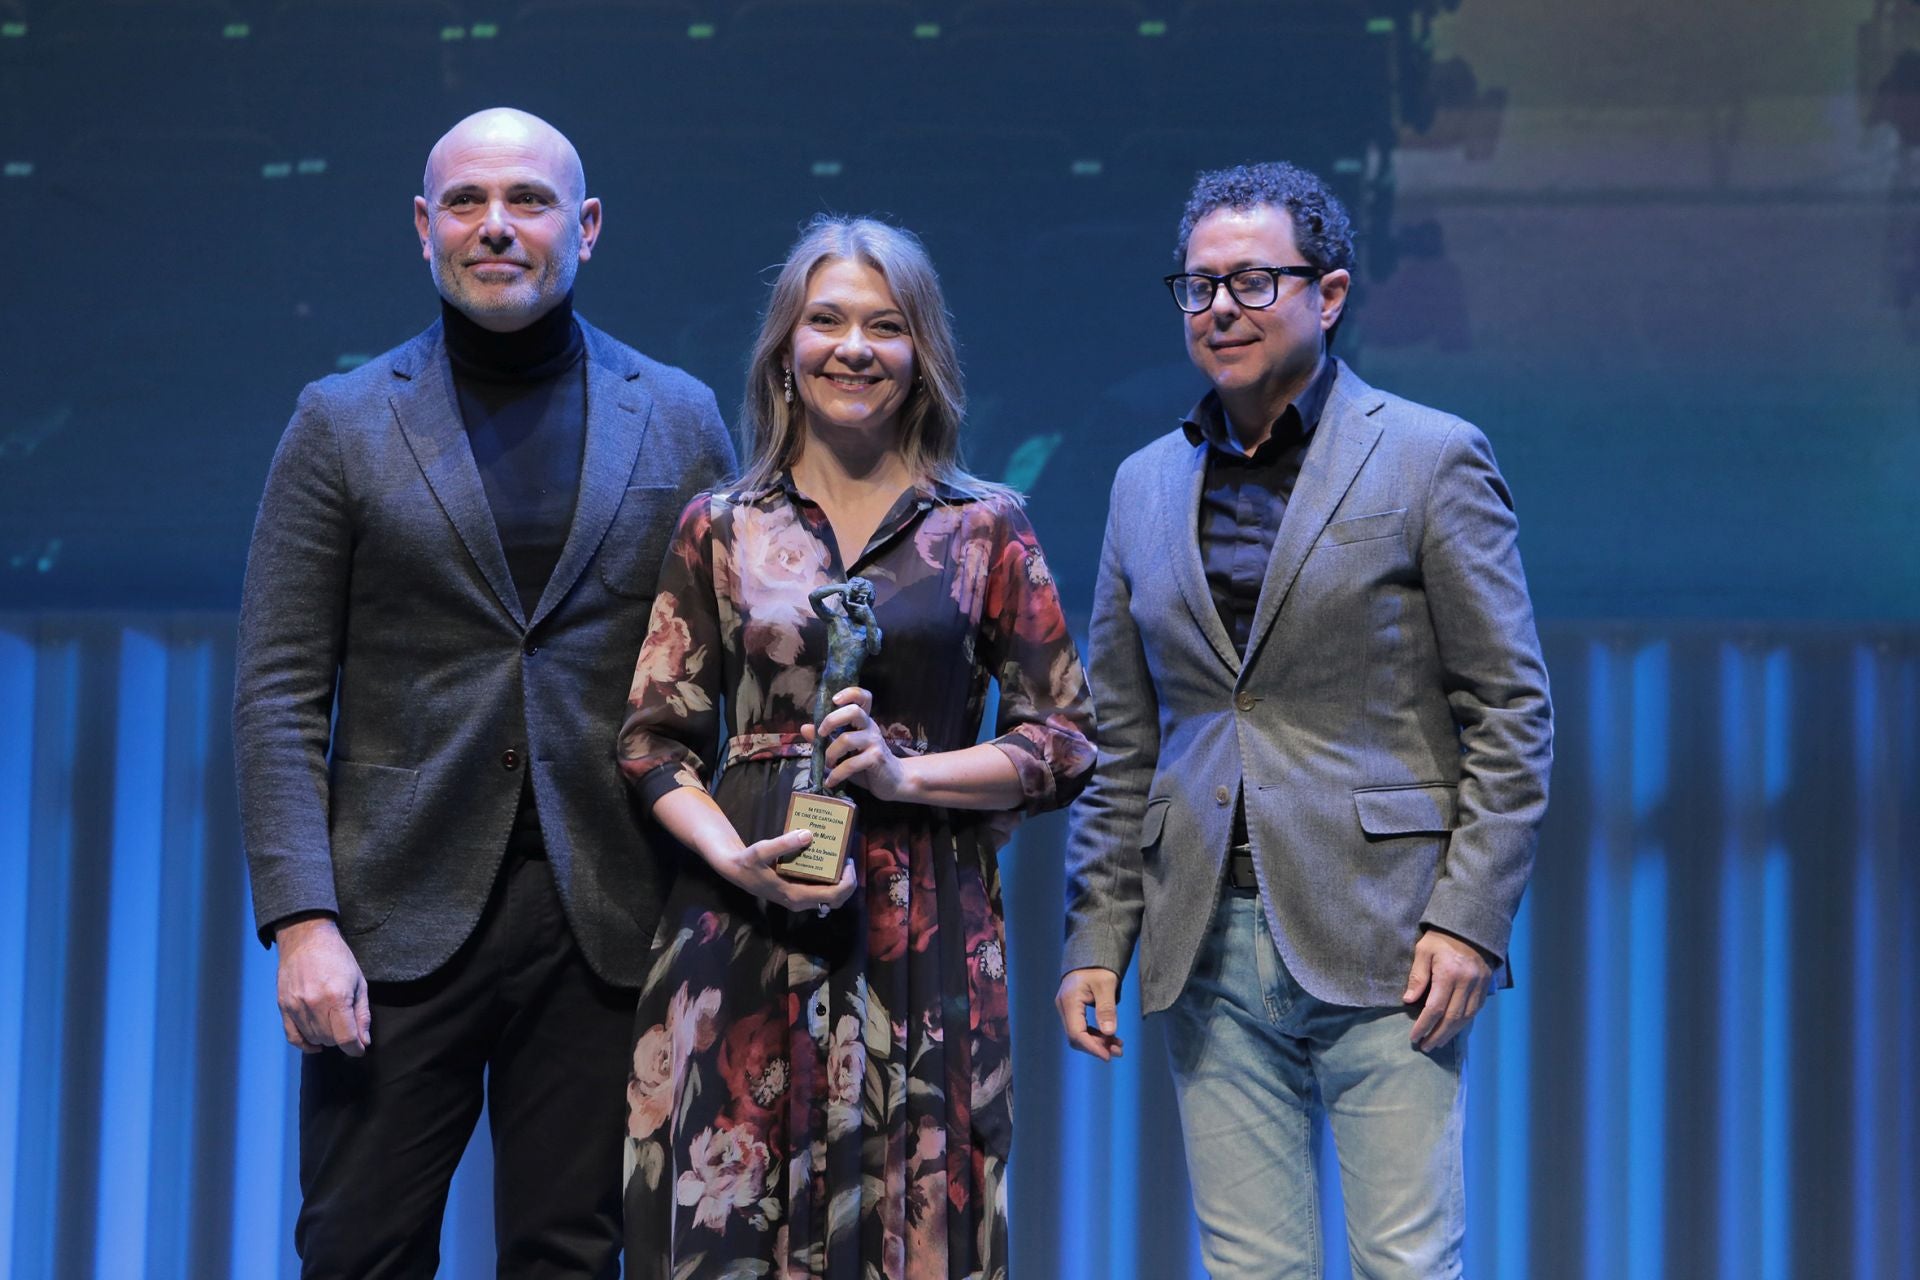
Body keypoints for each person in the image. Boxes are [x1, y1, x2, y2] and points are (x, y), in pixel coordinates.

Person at [233, 107, 736, 1278]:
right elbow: (278, 689)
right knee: (359, 1247)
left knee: (570, 1251)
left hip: (607, 911)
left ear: (587, 226)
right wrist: (301, 919)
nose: (496, 226)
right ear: (423, 226)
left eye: (529, 201)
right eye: (465, 202)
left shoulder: (678, 415)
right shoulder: (341, 420)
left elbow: (722, 670)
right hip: (390, 920)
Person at [1056, 162, 1552, 1278]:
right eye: (1198, 287)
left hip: (1391, 931)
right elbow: (1124, 735)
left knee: (1406, 1263)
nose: (1221, 307)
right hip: (1205, 933)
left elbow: (1511, 706)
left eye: (1252, 280)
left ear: (1327, 294)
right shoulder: (1142, 482)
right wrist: (1097, 935)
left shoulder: (1431, 455)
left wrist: (1472, 916)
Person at [616, 214, 1095, 1279]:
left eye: (885, 325)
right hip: (737, 914)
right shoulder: (720, 524)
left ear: (921, 352)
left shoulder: (985, 526)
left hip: (920, 912)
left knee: (915, 1213)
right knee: (729, 1216)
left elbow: (1063, 737)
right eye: (825, 320)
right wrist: (728, 854)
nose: (853, 346)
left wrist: (901, 771)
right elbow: (654, 738)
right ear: (784, 349)